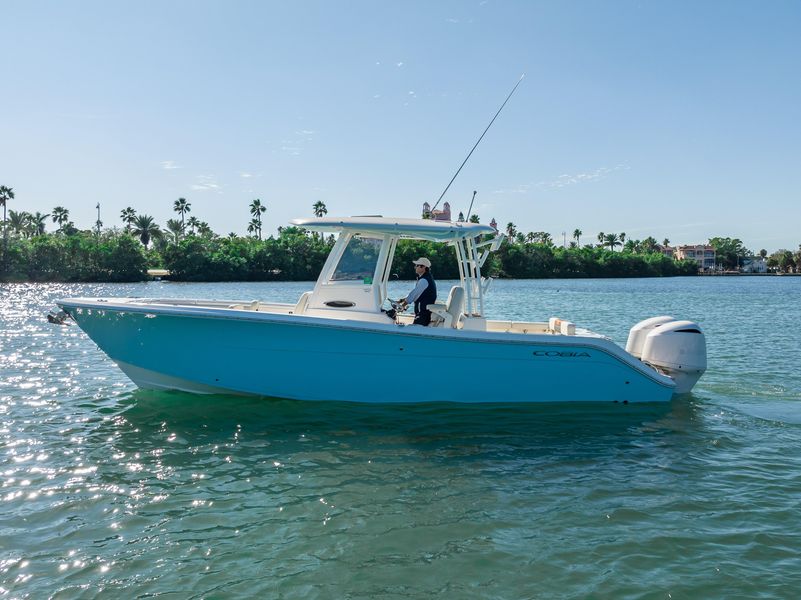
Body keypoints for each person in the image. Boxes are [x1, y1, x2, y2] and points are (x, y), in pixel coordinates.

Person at [399, 257, 437, 326]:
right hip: (423, 314)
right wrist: (401, 300)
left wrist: (403, 305)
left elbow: (413, 295)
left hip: (422, 316)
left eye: (417, 265)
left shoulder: (424, 280)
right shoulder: (427, 278)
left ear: (423, 267)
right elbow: (415, 294)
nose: (415, 267)